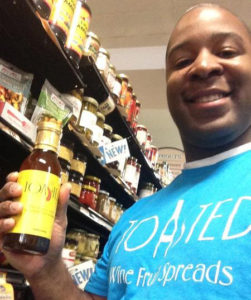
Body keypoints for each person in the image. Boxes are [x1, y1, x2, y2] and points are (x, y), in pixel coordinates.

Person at [1, 3, 251, 299]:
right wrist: (46, 269)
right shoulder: (134, 218)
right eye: (183, 61)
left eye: (226, 51)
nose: (203, 66)